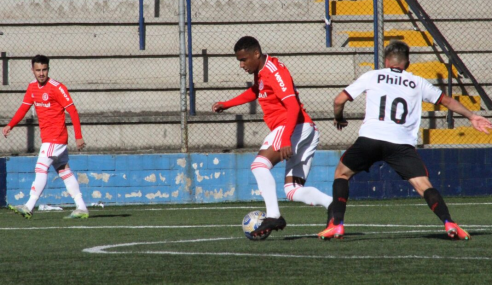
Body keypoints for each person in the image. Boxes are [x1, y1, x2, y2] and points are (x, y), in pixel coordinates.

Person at [318, 40, 492, 240]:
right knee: (424, 186)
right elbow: (447, 101)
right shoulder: (417, 82)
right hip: (401, 144)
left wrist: (339, 118)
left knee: (341, 174)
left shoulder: (372, 76)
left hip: (371, 139)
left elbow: (338, 100)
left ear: (386, 61)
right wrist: (472, 117)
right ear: (407, 63)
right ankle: (449, 223)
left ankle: (337, 224)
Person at [212, 36, 333, 238]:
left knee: (259, 166)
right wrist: (228, 103)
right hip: (305, 129)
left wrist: (285, 139)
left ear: (256, 54)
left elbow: (293, 106)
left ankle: (274, 215)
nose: (241, 65)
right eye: (239, 61)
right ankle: (333, 206)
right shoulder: (261, 71)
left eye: (244, 60)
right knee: (292, 190)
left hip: (293, 126)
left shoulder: (274, 72)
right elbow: (256, 91)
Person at [3, 54, 89, 219]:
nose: (41, 73)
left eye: (44, 70)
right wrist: (10, 125)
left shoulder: (57, 87)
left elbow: (73, 110)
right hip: (50, 138)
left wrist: (79, 136)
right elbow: (24, 108)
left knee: (40, 168)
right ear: (33, 70)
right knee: (64, 171)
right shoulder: (32, 87)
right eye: (38, 70)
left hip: (55, 137)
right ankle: (81, 206)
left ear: (48, 69)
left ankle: (29, 206)